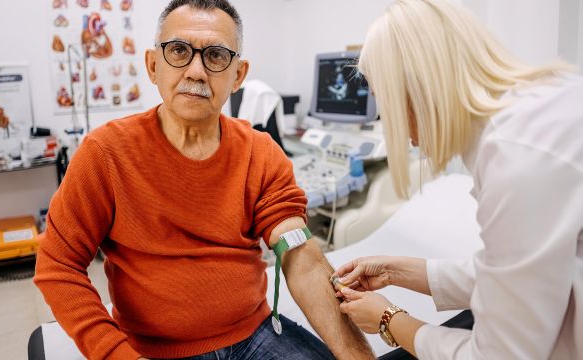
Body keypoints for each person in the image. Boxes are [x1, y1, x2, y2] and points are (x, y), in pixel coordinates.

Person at [34, 1, 372, 359]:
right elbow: (58, 264)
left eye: (215, 56)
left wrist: (358, 357)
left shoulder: (261, 153)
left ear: (238, 75)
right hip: (155, 349)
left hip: (255, 334)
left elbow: (300, 256)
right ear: (153, 65)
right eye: (179, 50)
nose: (196, 71)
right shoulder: (105, 154)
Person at [332, 0, 583, 359]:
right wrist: (393, 271)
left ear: (415, 86)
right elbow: (514, 275)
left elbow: (499, 356)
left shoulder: (517, 157)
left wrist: (388, 318)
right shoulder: (534, 112)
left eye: (381, 98)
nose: (390, 121)